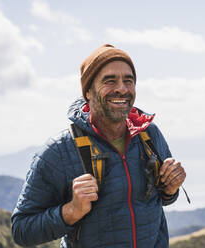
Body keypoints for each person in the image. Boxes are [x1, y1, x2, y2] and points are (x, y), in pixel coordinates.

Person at [11, 44, 186, 248]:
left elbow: (161, 199)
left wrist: (171, 188)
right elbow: (21, 230)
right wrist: (72, 211)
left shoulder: (149, 134)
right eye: (110, 80)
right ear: (89, 92)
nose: (122, 88)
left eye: (128, 80)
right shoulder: (58, 151)